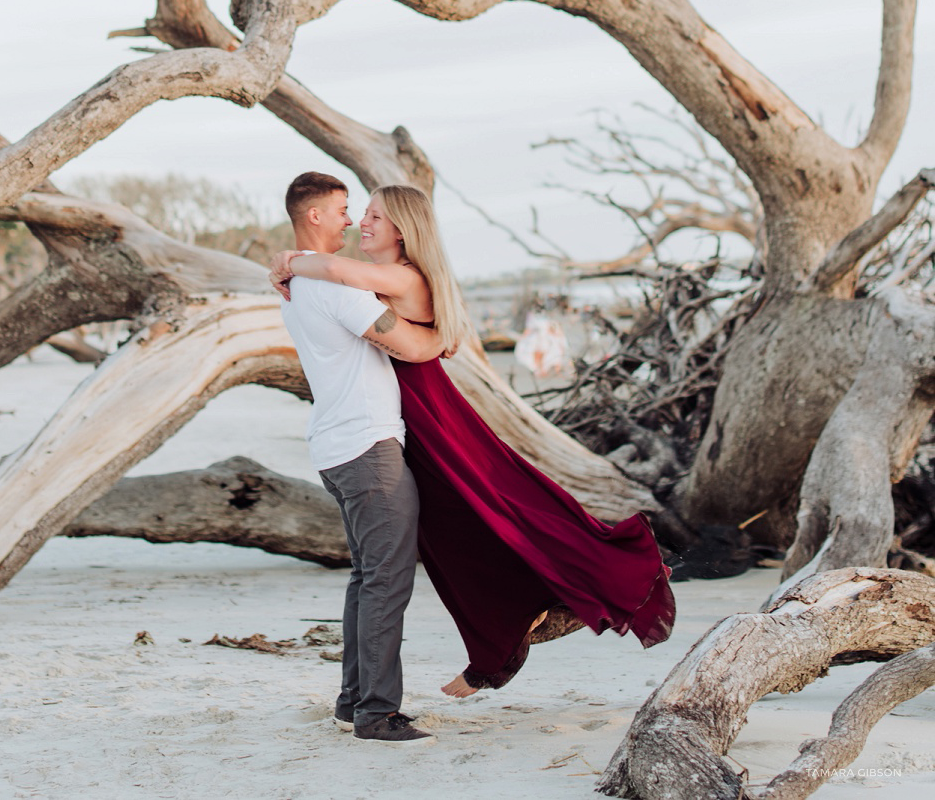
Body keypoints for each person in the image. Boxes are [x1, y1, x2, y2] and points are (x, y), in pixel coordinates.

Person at [271, 183, 676, 697]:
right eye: (359, 213)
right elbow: (346, 292)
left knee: (494, 500)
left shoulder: (402, 276)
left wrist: (290, 261)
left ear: (403, 229)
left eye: (373, 215)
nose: (360, 223)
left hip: (426, 411)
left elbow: (347, 285)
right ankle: (502, 631)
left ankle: (563, 600)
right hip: (405, 414)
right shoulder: (375, 278)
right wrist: (292, 263)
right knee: (456, 526)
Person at [277, 171, 448, 745]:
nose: (351, 220)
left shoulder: (300, 284)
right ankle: (377, 712)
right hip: (366, 446)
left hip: (337, 443)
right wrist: (449, 334)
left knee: (366, 577)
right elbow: (412, 345)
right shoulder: (335, 289)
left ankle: (354, 702)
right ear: (316, 216)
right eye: (344, 209)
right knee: (387, 581)